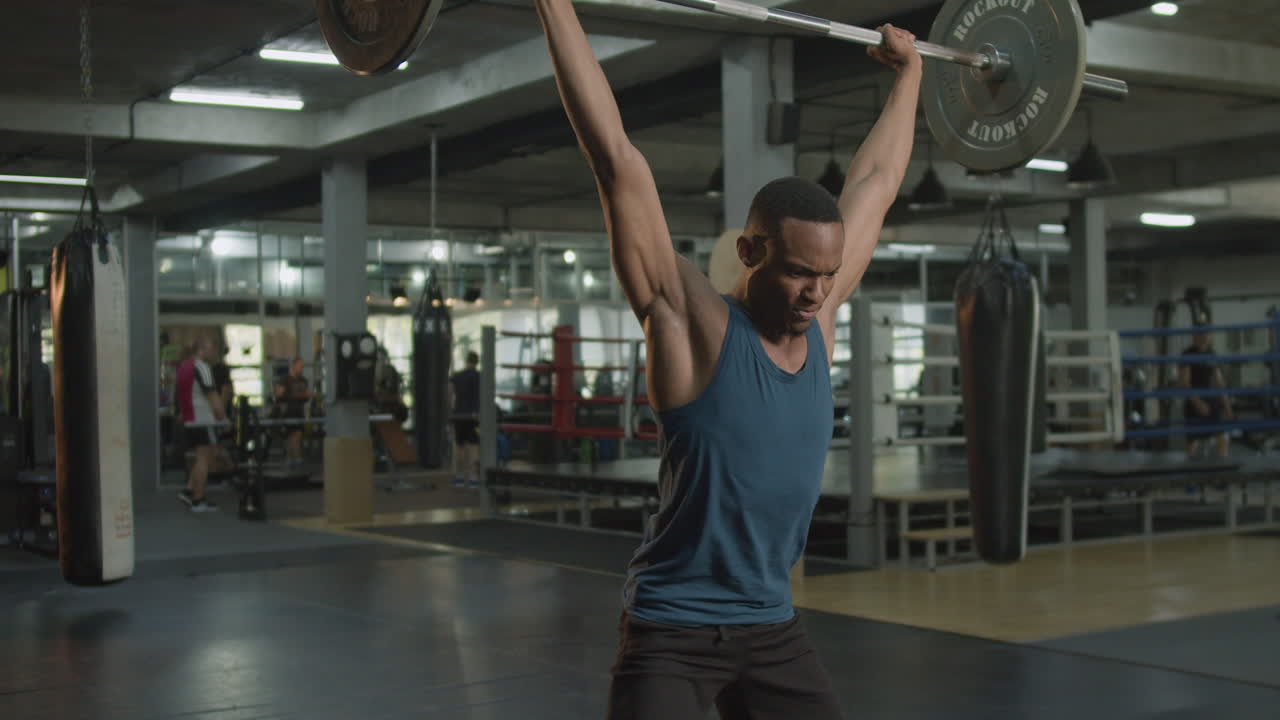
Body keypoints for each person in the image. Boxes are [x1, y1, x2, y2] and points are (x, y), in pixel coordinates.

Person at [533, 1, 920, 717]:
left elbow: (877, 181)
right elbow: (615, 158)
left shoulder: (822, 318)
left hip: (772, 628)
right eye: (798, 272)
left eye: (828, 276)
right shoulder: (693, 326)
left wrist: (910, 75)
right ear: (748, 252)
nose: (816, 293)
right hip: (673, 631)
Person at [176, 338, 226, 512]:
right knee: (205, 458)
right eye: (211, 348)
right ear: (202, 350)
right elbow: (212, 395)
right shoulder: (202, 367)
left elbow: (184, 395)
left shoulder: (183, 367)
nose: (213, 353)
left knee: (202, 457)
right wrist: (223, 418)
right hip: (202, 419)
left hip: (190, 419)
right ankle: (198, 500)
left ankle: (189, 490)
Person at [1180, 329, 1233, 457]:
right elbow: (1184, 382)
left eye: (1205, 335)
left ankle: (1223, 468)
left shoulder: (1211, 354)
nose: (1203, 337)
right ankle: (1188, 468)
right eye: (1200, 334)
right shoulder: (1188, 354)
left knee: (1222, 438)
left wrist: (1227, 407)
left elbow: (1219, 382)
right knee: (1192, 442)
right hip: (1194, 402)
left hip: (1211, 401)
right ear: (1194, 336)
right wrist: (1198, 403)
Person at [449, 351, 481, 488]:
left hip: (459, 415)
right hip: (474, 416)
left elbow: (450, 393)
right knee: (474, 446)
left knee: (459, 446)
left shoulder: (457, 376)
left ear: (466, 361)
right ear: (477, 362)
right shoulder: (480, 377)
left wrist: (452, 410)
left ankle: (459, 477)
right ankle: (473, 478)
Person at [273, 358, 313, 465]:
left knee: (298, 434)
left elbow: (307, 394)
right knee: (291, 435)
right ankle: (292, 458)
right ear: (294, 366)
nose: (302, 368)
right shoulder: (285, 380)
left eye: (302, 366)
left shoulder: (303, 380)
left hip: (299, 411)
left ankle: (295, 458)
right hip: (288, 411)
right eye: (300, 366)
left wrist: (304, 396)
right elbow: (279, 395)